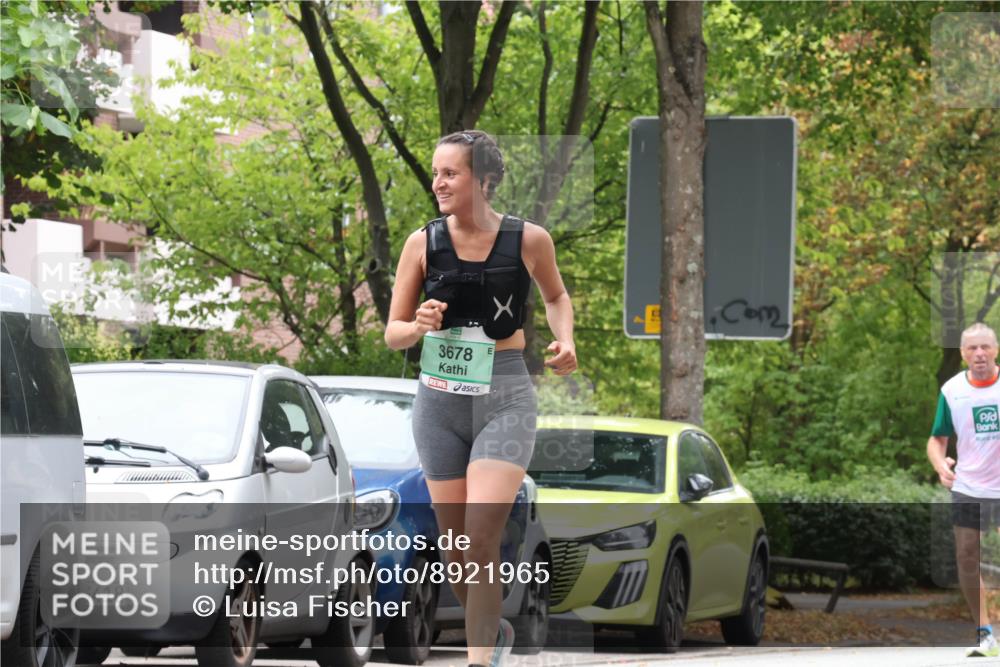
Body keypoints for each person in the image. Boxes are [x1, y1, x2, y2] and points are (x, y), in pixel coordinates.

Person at [385, 130, 577, 666]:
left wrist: (566, 339)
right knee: (455, 551)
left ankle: (478, 659)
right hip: (439, 403)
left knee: (480, 539)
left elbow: (557, 296)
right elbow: (393, 333)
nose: (438, 183)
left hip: (505, 396)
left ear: (484, 180)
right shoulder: (421, 243)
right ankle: (492, 638)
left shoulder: (529, 239)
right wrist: (417, 325)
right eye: (436, 172)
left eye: (451, 173)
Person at [927, 321, 1000, 658]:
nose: (979, 353)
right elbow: (937, 439)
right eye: (972, 348)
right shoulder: (952, 391)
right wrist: (940, 463)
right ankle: (985, 633)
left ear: (996, 349)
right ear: (963, 354)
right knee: (967, 555)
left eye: (985, 346)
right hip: (969, 485)